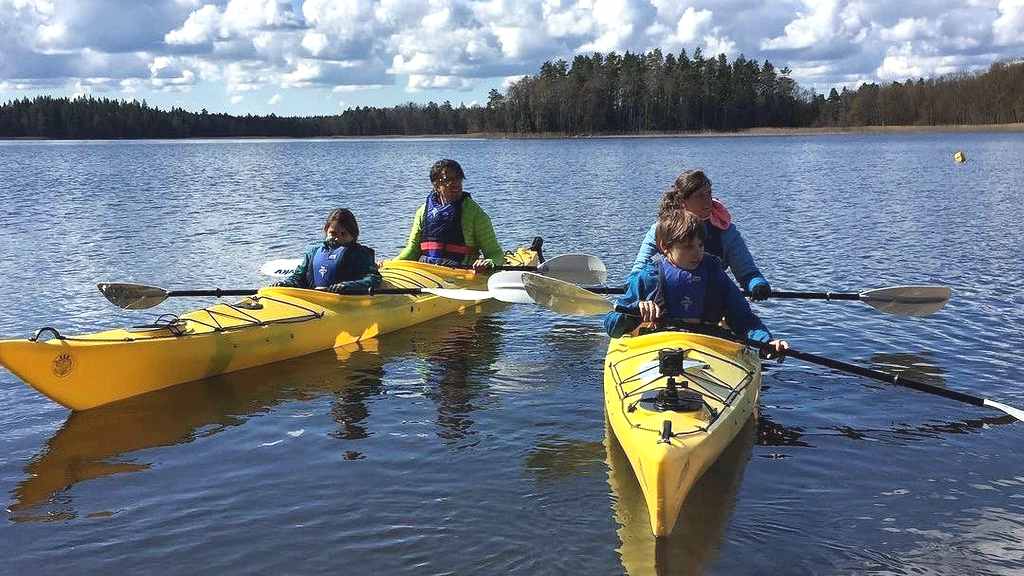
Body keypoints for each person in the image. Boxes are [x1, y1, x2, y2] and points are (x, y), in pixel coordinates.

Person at [606, 208, 788, 358]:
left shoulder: (715, 276)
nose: (697, 253)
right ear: (664, 247)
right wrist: (634, 311)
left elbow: (744, 320)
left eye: (700, 245)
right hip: (657, 347)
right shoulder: (649, 276)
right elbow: (612, 326)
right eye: (687, 247)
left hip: (708, 347)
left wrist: (766, 342)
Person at [630, 170, 772, 301]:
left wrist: (757, 285)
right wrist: (632, 288)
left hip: (709, 301)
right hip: (667, 301)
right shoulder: (661, 229)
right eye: (700, 196)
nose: (708, 201)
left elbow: (747, 273)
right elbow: (639, 269)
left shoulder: (725, 232)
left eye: (709, 194)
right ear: (682, 201)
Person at [395, 159, 503, 270]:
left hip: (461, 273)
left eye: (459, 179)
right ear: (436, 185)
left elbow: (495, 253)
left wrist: (489, 262)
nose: (456, 184)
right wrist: (390, 265)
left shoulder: (475, 213)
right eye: (449, 180)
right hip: (428, 272)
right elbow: (412, 250)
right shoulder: (422, 212)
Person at [273, 208, 382, 293]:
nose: (338, 238)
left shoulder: (361, 254)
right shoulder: (313, 251)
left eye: (343, 234)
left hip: (345, 301)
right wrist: (285, 283)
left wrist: (348, 286)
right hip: (313, 299)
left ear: (353, 236)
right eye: (333, 233)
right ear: (326, 231)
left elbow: (374, 279)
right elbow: (298, 277)